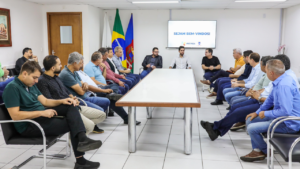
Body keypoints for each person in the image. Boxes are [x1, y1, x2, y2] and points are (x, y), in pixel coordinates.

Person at [3, 61, 101, 169]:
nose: (36, 81)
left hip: (40, 117)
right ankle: (81, 161)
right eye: (34, 78)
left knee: (70, 106)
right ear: (25, 73)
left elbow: (45, 101)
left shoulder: (30, 84)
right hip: (30, 126)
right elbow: (15, 116)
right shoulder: (12, 88)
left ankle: (83, 139)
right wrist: (42, 112)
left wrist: (63, 100)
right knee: (72, 123)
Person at [200, 56, 274, 140]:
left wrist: (255, 94)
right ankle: (216, 130)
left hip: (262, 103)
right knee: (235, 106)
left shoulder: (273, 78)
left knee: (237, 110)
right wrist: (252, 91)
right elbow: (262, 87)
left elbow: (270, 99)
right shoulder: (267, 75)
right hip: (255, 97)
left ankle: (216, 128)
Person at [240, 59, 300, 162]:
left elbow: (286, 111)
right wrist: (257, 112)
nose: (265, 73)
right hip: (280, 117)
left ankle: (265, 151)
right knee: (250, 119)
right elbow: (269, 100)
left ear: (271, 73)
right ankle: (257, 150)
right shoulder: (280, 80)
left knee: (251, 128)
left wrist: (266, 113)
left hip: (288, 123)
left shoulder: (283, 85)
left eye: (266, 71)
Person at [60, 52, 141, 125]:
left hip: (89, 93)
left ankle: (126, 117)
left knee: (110, 98)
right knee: (107, 103)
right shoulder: (66, 74)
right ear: (75, 63)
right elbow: (81, 92)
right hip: (82, 98)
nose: (82, 65)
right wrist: (86, 86)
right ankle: (91, 124)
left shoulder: (74, 72)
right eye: (81, 63)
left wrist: (86, 85)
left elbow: (84, 85)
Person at [37, 55, 106, 134]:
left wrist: (73, 98)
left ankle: (76, 129)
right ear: (53, 68)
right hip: (64, 108)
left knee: (102, 115)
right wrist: (65, 101)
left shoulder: (56, 78)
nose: (61, 66)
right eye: (59, 64)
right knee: (89, 126)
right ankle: (78, 139)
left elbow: (67, 92)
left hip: (73, 105)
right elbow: (48, 101)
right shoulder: (42, 81)